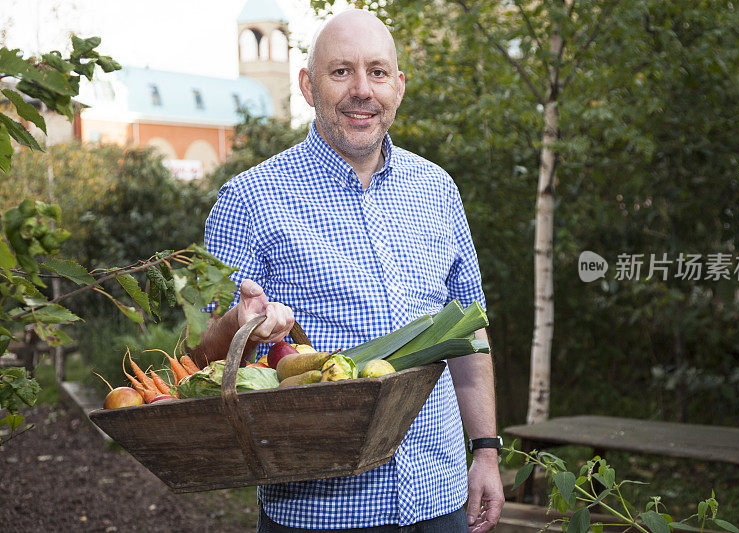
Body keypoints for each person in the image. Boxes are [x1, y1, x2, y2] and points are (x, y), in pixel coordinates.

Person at [190, 9, 504, 533]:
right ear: (308, 86)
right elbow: (197, 356)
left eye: (377, 72)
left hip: (439, 495)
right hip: (318, 508)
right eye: (341, 72)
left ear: (398, 86)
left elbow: (468, 332)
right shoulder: (249, 200)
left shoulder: (437, 190)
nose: (363, 89)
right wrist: (236, 324)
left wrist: (487, 453)